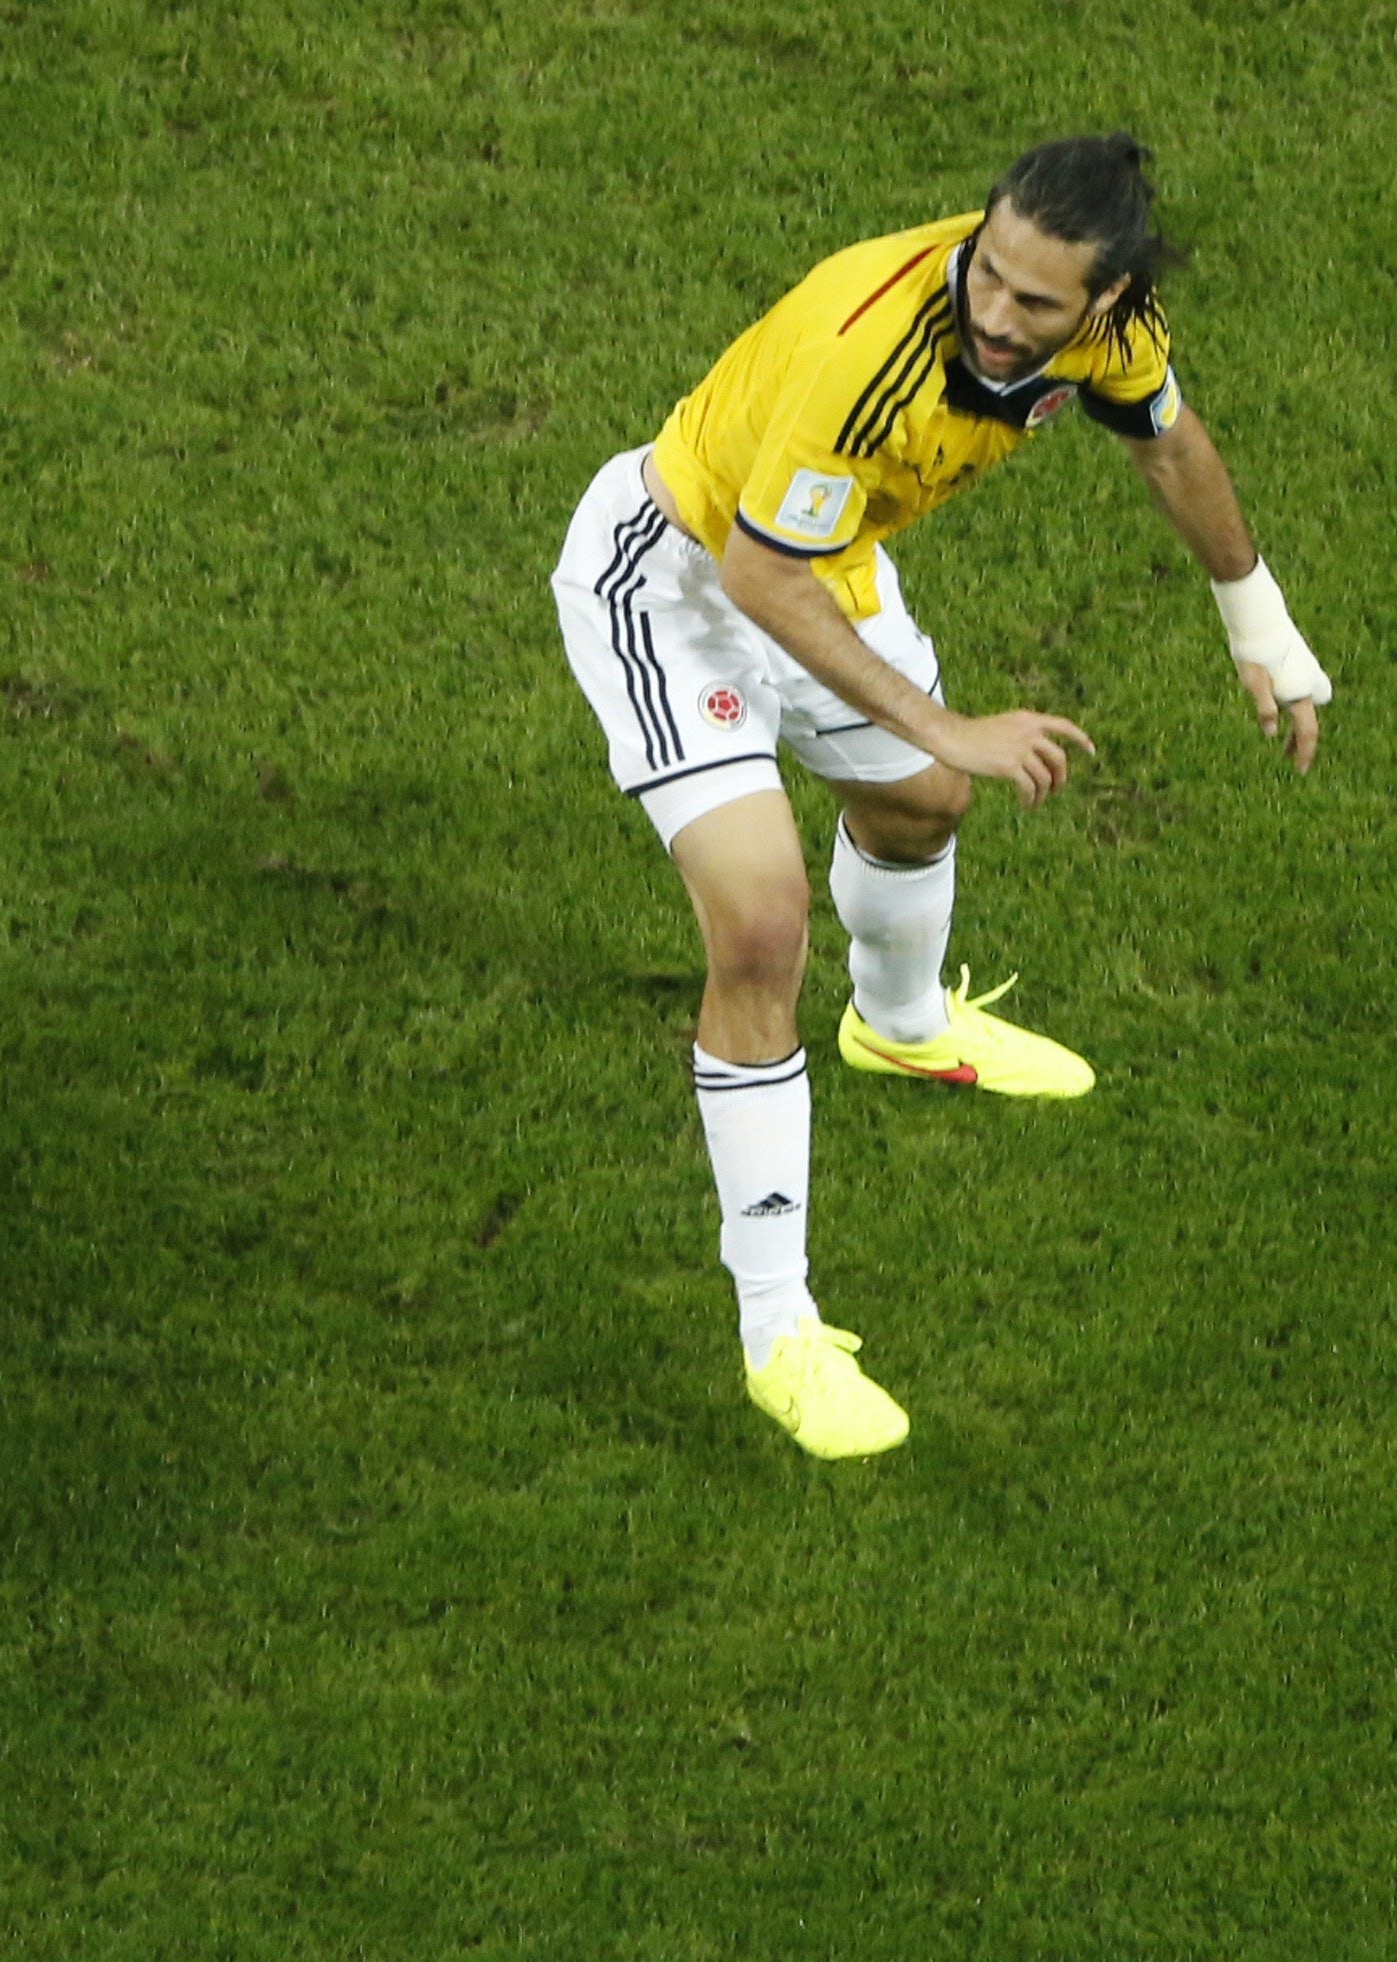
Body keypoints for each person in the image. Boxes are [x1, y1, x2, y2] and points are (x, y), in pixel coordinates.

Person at [548, 135, 1332, 1460]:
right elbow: (754, 577)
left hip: (825, 563)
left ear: (1105, 296)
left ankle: (900, 1024)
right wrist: (950, 722)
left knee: (920, 807)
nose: (995, 309)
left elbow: (1166, 441)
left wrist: (1257, 616)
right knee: (758, 923)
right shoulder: (874, 346)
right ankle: (777, 1329)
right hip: (677, 582)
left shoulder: (1113, 327)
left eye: (1036, 300)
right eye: (989, 273)